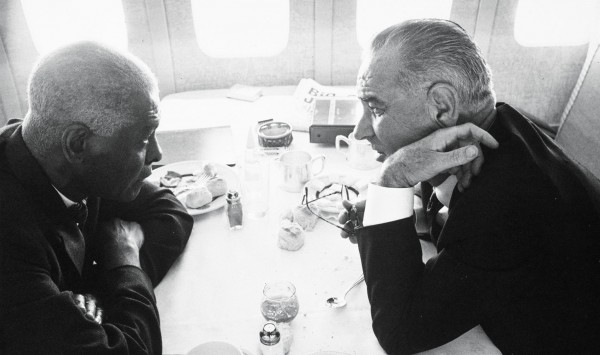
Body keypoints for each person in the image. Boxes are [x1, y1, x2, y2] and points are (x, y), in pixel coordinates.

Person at [339, 19, 599, 354]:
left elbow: (400, 332)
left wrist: (392, 180)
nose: (360, 131)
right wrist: (380, 214)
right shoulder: (501, 124)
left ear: (442, 107)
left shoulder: (504, 206)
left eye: (375, 108)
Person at [0, 42, 194, 354]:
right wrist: (125, 265)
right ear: (78, 144)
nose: (158, 154)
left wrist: (103, 301)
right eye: (144, 139)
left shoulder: (62, 161)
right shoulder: (10, 244)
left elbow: (169, 210)